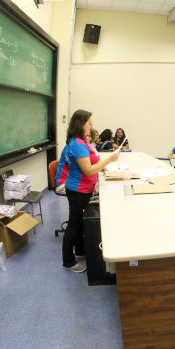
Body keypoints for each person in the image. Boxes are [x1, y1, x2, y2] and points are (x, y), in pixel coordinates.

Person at [56, 109, 120, 272]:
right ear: (80, 124)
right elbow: (88, 170)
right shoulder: (77, 144)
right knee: (74, 225)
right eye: (89, 123)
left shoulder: (81, 142)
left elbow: (91, 163)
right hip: (78, 190)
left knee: (78, 222)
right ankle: (68, 261)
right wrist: (109, 160)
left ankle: (80, 251)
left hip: (82, 189)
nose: (91, 126)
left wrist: (101, 167)